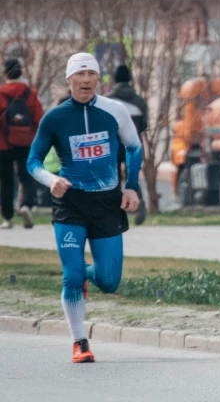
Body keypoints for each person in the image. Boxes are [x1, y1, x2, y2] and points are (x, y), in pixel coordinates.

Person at [27, 53, 142, 363]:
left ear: (99, 79)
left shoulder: (114, 110)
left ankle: (87, 276)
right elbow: (32, 161)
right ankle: (80, 341)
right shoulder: (55, 118)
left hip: (106, 202)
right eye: (80, 74)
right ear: (70, 80)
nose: (87, 80)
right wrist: (51, 180)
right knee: (71, 275)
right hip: (71, 203)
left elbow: (133, 147)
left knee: (109, 280)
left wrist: (131, 185)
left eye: (92, 74)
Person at [1, 59, 43, 229]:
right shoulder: (30, 94)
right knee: (27, 176)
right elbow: (39, 119)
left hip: (3, 144)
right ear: (21, 72)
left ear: (5, 73)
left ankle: (8, 218)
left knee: (5, 180)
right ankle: (26, 205)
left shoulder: (1, 93)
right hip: (26, 142)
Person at [107, 64, 149, 225]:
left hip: (113, 144)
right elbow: (144, 124)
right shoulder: (139, 101)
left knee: (114, 178)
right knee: (132, 177)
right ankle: (139, 202)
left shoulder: (107, 100)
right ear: (130, 79)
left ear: (115, 79)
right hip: (132, 143)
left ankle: (114, 212)